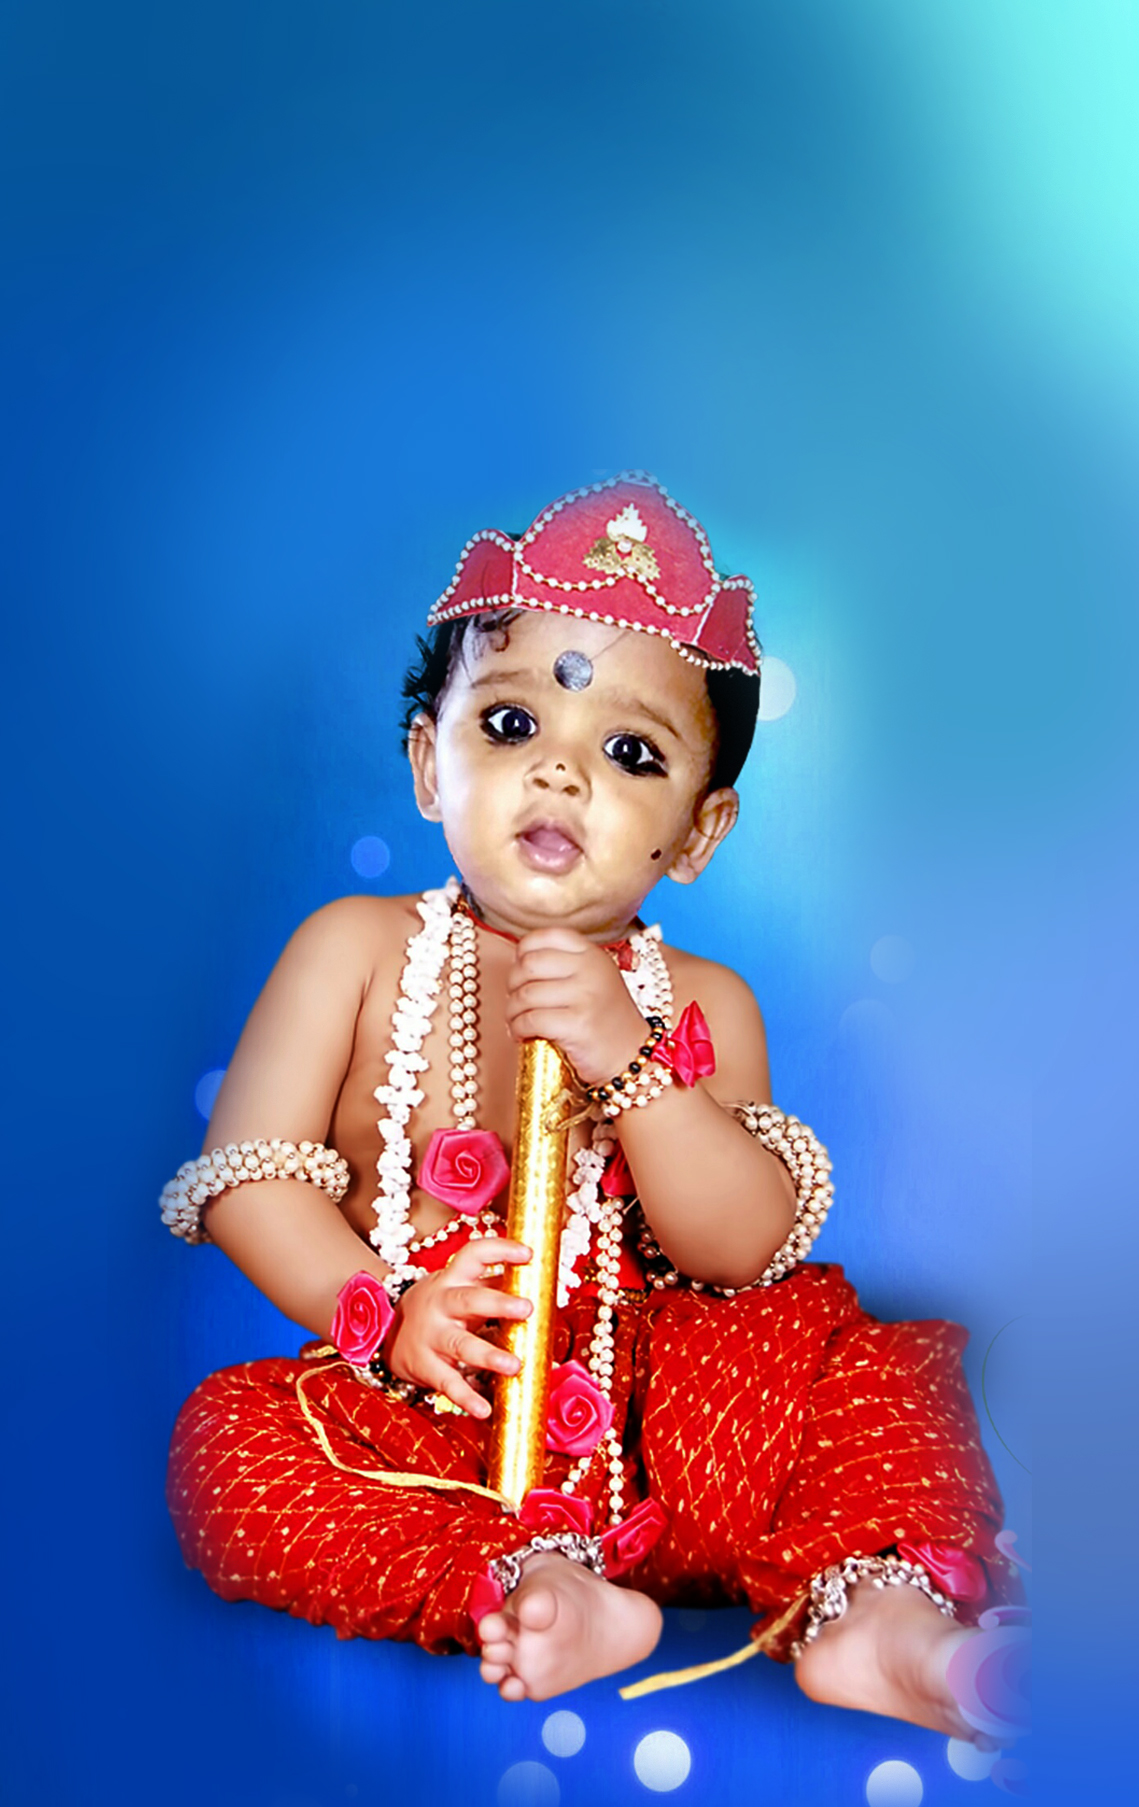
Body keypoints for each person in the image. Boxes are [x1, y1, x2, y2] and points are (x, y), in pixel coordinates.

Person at [164, 474, 1023, 1741]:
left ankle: (876, 1617)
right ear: (427, 761)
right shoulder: (354, 950)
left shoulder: (701, 1001)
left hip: (675, 1448)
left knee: (875, 1362)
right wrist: (386, 1313)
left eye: (630, 753)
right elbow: (249, 1178)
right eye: (510, 723)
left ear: (699, 831)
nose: (560, 773)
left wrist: (635, 1064)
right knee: (225, 1447)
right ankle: (526, 1591)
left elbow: (735, 1250)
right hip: (428, 1424)